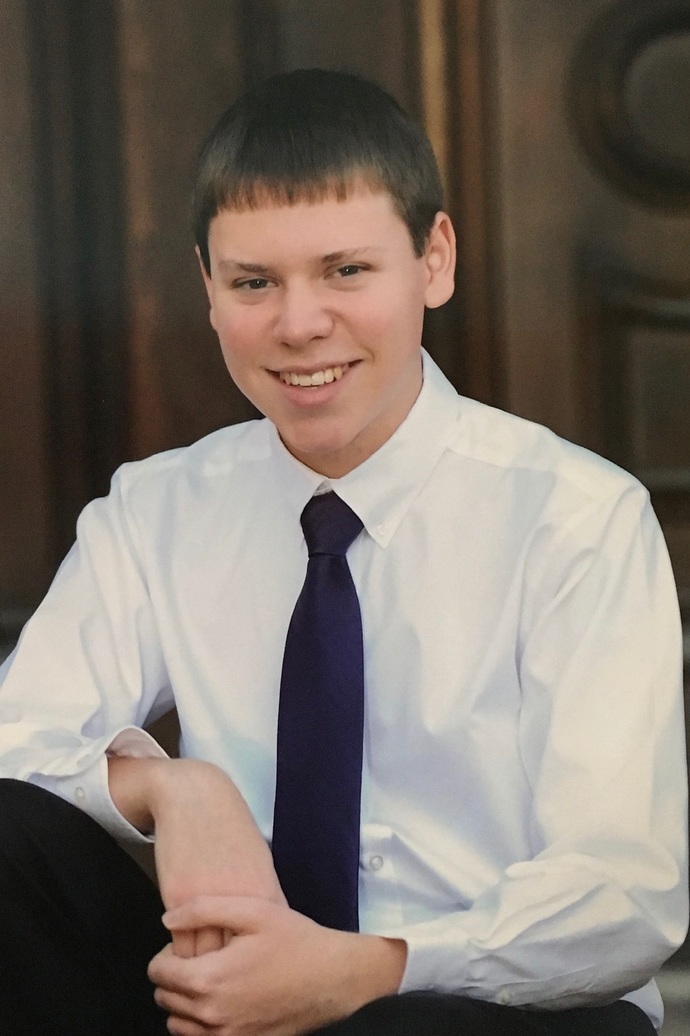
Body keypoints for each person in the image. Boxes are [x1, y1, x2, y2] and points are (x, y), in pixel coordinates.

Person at [0, 67, 687, 1036]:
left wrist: (366, 968)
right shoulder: (154, 509)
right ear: (207, 286)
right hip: (234, 985)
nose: (299, 322)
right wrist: (169, 785)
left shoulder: (574, 517)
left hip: (479, 999)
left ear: (434, 259)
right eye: (254, 282)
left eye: (345, 269)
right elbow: (14, 737)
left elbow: (624, 895)